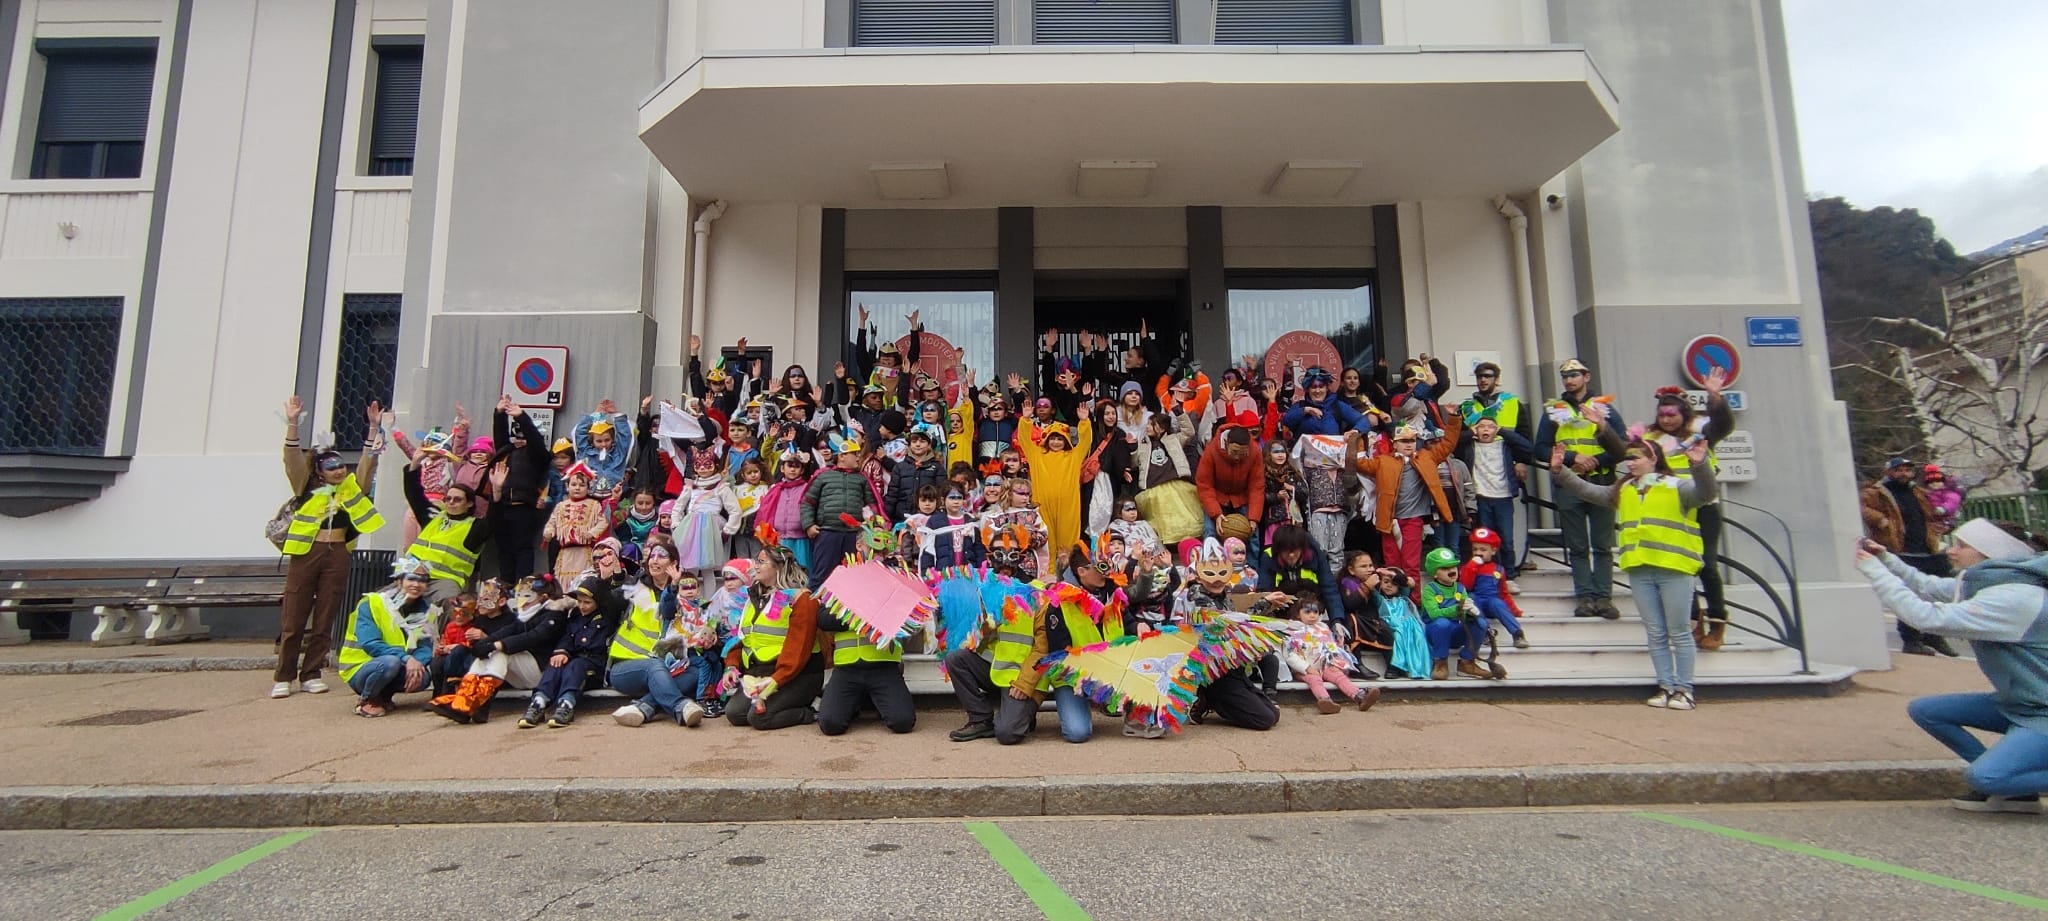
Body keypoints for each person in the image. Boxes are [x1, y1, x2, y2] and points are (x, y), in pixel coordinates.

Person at [1857, 519, 2048, 813]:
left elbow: (1925, 617)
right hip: (2023, 704)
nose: (1950, 550)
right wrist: (1885, 559)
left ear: (1989, 553)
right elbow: (1928, 586)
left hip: (2042, 713)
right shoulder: (1992, 582)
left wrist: (1872, 570)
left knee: (1985, 777)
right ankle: (2017, 790)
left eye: (1962, 545)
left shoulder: (2015, 599)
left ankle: (2003, 780)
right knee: (1928, 711)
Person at [1551, 436, 1717, 709]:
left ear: (1654, 459)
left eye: (1637, 457)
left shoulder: (1677, 486)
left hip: (1674, 567)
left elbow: (1707, 494)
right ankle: (1665, 685)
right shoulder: (1624, 488)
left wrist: (1700, 466)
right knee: (1655, 632)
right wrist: (1560, 471)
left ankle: (1684, 689)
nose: (1630, 462)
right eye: (1628, 457)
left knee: (1679, 631)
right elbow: (1589, 491)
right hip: (1640, 568)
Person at [274, 396, 386, 699]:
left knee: (325, 615)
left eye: (340, 465)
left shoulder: (352, 488)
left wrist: (373, 429)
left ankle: (311, 672)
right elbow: (292, 459)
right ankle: (284, 675)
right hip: (306, 553)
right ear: (319, 471)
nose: (339, 470)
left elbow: (368, 463)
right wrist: (293, 424)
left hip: (337, 553)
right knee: (294, 617)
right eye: (331, 466)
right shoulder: (305, 486)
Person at [1645, 370, 1736, 648]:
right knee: (1681, 567)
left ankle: (1718, 621)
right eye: (1663, 414)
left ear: (1684, 413)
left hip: (1705, 507)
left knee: (1706, 564)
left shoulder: (1702, 432)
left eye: (1672, 414)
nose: (1667, 419)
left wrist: (1715, 396)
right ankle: (1695, 622)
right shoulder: (1651, 438)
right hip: (1673, 509)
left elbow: (1724, 424)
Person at [1533, 359, 1626, 619]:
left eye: (1574, 375)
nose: (1569, 380)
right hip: (1570, 483)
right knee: (1577, 546)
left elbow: (1623, 444)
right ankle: (1585, 597)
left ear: (1587, 376)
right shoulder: (1554, 411)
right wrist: (1573, 458)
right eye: (1565, 376)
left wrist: (1597, 460)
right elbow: (1540, 448)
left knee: (1602, 544)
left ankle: (1604, 597)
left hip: (1602, 481)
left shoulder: (1604, 408)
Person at [1862, 458, 1962, 657]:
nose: (1904, 474)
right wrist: (1881, 520)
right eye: (1899, 470)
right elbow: (1861, 508)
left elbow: (1935, 512)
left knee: (1937, 589)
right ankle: (1911, 640)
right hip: (1901, 550)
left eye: (1908, 470)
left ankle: (1933, 634)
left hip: (1927, 548)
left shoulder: (1918, 492)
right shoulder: (1876, 492)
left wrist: (1945, 525)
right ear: (1889, 471)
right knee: (1907, 593)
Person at [1352, 414, 1464, 590]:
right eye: (1404, 441)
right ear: (1394, 443)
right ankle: (1394, 603)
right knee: (1392, 565)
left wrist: (1454, 418)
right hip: (1389, 521)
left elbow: (1448, 444)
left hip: (1413, 520)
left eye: (1412, 440)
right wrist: (1358, 439)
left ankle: (1415, 604)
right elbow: (1360, 464)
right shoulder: (1383, 461)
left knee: (1411, 565)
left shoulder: (1427, 457)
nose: (1409, 444)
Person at [723, 545, 827, 730]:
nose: (755, 566)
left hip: (798, 675)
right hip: (760, 672)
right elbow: (744, 638)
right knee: (735, 714)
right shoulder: (752, 597)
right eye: (756, 561)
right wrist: (732, 666)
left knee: (759, 718)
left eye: (761, 562)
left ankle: (810, 710)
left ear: (779, 567)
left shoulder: (801, 599)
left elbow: (799, 648)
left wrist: (777, 680)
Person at [607, 547, 709, 728]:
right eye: (651, 556)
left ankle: (644, 707)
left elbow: (672, 610)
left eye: (661, 556)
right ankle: (680, 706)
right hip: (627, 667)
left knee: (697, 671)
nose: (654, 560)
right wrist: (615, 578)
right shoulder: (636, 586)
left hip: (666, 669)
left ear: (673, 564)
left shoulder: (685, 593)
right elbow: (611, 600)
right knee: (654, 665)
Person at [339, 557, 438, 717]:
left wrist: (417, 663)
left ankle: (384, 697)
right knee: (390, 663)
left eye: (423, 580)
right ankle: (367, 700)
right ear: (399, 581)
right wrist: (407, 659)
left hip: (396, 664)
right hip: (361, 667)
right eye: (411, 578)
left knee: (423, 677)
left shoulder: (426, 610)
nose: (417, 584)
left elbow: (425, 646)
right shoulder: (373, 603)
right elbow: (370, 643)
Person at [518, 575, 622, 729]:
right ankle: (538, 703)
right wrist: (562, 651)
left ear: (598, 602)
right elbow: (567, 636)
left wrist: (613, 578)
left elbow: (615, 599)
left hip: (595, 663)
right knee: (555, 664)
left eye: (587, 602)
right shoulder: (575, 615)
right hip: (575, 658)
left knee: (576, 666)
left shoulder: (608, 614)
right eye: (579, 601)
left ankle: (566, 704)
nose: (582, 606)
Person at [1456, 404, 1535, 590]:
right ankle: (1487, 575)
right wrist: (1469, 433)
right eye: (1481, 426)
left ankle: (1509, 577)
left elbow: (1527, 448)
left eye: (1490, 427)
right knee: (1483, 540)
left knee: (1506, 539)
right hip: (1481, 497)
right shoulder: (1470, 446)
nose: (1486, 430)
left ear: (1496, 430)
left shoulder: (1504, 445)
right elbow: (1453, 444)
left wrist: (1504, 432)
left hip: (1503, 497)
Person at [401, 459, 491, 604]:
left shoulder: (475, 527)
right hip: (412, 576)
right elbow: (414, 495)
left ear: (469, 503)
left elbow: (495, 517)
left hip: (443, 582)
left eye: (457, 499)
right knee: (374, 602)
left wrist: (497, 489)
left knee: (451, 605)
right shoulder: (434, 516)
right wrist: (415, 463)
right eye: (448, 499)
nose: (451, 502)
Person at [802, 429, 881, 589]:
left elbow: (872, 504)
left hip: (854, 535)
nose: (859, 457)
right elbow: (807, 501)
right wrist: (808, 525)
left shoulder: (861, 479)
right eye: (855, 454)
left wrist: (876, 525)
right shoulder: (823, 476)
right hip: (827, 532)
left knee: (853, 574)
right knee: (821, 575)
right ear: (842, 456)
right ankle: (816, 609)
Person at [1418, 547, 1503, 680]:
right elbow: (1434, 614)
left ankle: (1467, 662)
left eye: (1453, 567)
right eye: (1445, 569)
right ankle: (1440, 662)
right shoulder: (1430, 589)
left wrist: (1470, 613)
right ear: (1435, 573)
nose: (1452, 571)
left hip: (1455, 632)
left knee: (1480, 623)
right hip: (1436, 634)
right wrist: (1458, 608)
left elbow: (1463, 616)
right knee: (1442, 623)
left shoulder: (1460, 588)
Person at [1284, 598, 1381, 714]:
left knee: (1338, 676)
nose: (1312, 616)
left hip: (1325, 664)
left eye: (1315, 612)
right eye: (1307, 612)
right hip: (1304, 668)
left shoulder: (1323, 628)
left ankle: (1360, 696)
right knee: (1314, 680)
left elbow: (1331, 647)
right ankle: (1325, 701)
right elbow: (1290, 655)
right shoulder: (1292, 630)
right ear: (1297, 614)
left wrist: (1335, 662)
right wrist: (1306, 668)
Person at [489, 398, 550, 580]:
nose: (519, 440)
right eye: (516, 435)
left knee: (523, 548)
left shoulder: (536, 454)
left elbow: (536, 440)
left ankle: (523, 584)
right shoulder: (506, 451)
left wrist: (522, 417)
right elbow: (500, 437)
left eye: (522, 436)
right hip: (501, 504)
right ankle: (506, 585)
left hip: (523, 507)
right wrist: (499, 414)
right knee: (503, 548)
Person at [1016, 416, 1093, 557]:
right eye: (1053, 438)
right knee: (1046, 541)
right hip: (1043, 506)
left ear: (1066, 440)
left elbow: (1086, 442)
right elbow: (1024, 439)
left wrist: (1084, 422)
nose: (1056, 442)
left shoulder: (1073, 456)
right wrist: (1026, 420)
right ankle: (1049, 572)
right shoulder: (1036, 455)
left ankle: (1069, 572)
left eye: (1060, 439)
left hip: (1068, 507)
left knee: (1068, 544)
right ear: (1046, 439)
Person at [1460, 528, 1528, 648]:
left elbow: (1504, 593)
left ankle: (1517, 633)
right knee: (1470, 599)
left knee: (1497, 603)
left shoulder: (1498, 569)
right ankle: (1485, 632)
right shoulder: (1468, 567)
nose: (1478, 553)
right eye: (1475, 549)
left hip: (1491, 602)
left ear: (1493, 551)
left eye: (1483, 549)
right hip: (1476, 601)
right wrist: (1472, 567)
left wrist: (1515, 611)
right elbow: (1466, 585)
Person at [543, 465, 609, 589]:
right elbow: (551, 523)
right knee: (563, 582)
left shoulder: (594, 505)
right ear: (567, 487)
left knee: (584, 580)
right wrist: (549, 531)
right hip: (565, 553)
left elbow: (603, 522)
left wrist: (592, 533)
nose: (577, 488)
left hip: (584, 552)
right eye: (573, 484)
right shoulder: (560, 506)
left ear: (588, 488)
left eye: (582, 485)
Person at [1196, 427, 1265, 541]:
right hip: (1217, 496)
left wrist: (1254, 518)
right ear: (1226, 443)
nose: (1237, 457)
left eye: (1242, 454)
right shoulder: (1211, 451)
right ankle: (1212, 557)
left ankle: (1251, 559)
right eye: (1234, 452)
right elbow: (1205, 485)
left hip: (1241, 497)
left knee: (1252, 534)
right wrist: (1216, 514)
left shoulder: (1255, 452)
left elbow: (1256, 487)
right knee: (1210, 532)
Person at [1924, 465, 1965, 535]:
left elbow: (1952, 502)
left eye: (1937, 481)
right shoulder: (1929, 493)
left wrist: (1944, 508)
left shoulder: (1948, 492)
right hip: (1933, 517)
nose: (1934, 484)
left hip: (1945, 516)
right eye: (1930, 482)